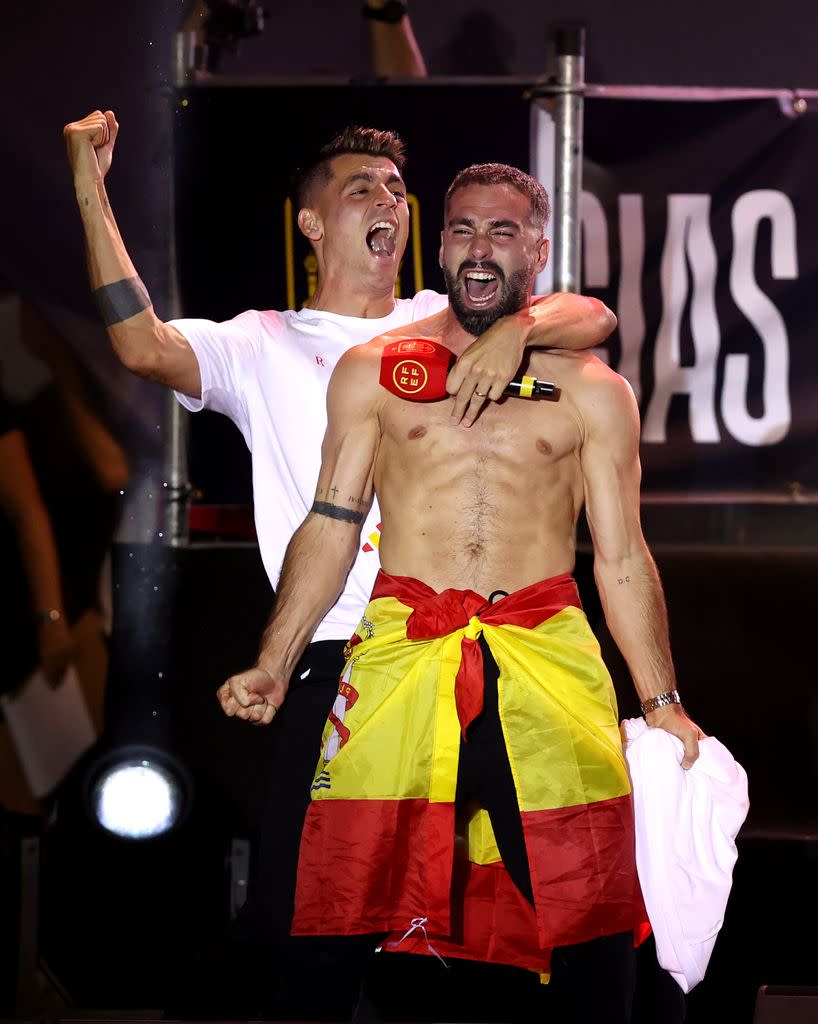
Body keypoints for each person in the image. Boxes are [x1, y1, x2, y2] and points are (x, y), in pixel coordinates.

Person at [63, 112, 616, 1015]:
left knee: (508, 917)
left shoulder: (443, 322)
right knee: (303, 912)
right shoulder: (261, 342)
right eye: (361, 186)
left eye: (398, 189)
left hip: (478, 653)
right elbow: (140, 343)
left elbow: (591, 315)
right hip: (342, 655)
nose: (388, 200)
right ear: (311, 223)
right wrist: (89, 182)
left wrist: (516, 333)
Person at [220, 163, 705, 1023]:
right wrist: (273, 659)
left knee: (589, 908)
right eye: (464, 231)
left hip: (547, 659)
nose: (480, 251)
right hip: (403, 654)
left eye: (505, 232)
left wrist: (661, 701)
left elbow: (622, 558)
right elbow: (332, 521)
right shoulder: (373, 370)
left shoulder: (593, 389)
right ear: (439, 243)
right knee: (330, 905)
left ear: (539, 249)